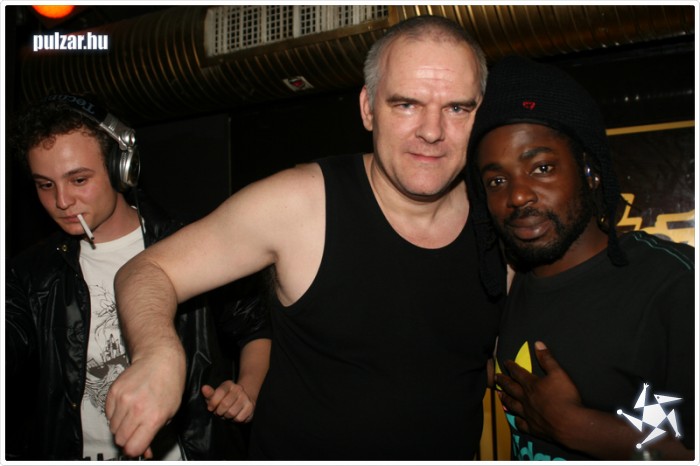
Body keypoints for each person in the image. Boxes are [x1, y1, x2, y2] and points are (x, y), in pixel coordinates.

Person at [106, 15, 505, 460]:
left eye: (457, 109)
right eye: (407, 104)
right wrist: (157, 354)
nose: (432, 131)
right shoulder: (301, 204)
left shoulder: (501, 218)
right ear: (368, 108)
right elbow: (148, 270)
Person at [5, 94, 271, 460]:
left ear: (122, 169)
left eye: (78, 179)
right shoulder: (30, 273)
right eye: (45, 185)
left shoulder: (188, 245)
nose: (62, 201)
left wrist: (248, 389)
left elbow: (254, 328)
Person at [466, 55, 695, 460]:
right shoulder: (506, 286)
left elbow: (684, 446)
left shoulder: (674, 285)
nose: (517, 195)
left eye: (542, 168)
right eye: (497, 180)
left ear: (590, 171)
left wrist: (575, 426)